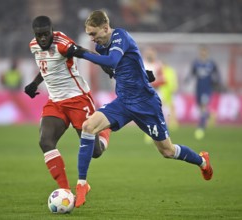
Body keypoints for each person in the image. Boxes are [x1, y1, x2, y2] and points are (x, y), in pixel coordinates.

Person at [66, 10, 213, 208]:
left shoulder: (121, 36)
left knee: (167, 151)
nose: (92, 39)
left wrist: (82, 53)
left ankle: (202, 161)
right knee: (88, 127)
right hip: (124, 101)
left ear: (105, 28)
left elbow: (113, 62)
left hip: (146, 104)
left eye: (93, 34)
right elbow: (115, 67)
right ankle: (82, 184)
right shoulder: (101, 47)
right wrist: (142, 73)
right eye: (89, 35)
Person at [24, 16, 111, 192]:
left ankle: (106, 128)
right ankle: (65, 191)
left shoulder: (62, 43)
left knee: (96, 152)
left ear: (51, 31)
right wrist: (34, 83)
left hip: (77, 99)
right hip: (55, 102)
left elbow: (82, 51)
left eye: (46, 34)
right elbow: (47, 68)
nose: (43, 39)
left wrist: (105, 64)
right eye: (39, 35)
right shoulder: (33, 45)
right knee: (45, 142)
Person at [188, 46, 222, 140]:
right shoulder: (196, 63)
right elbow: (192, 73)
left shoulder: (211, 63)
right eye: (202, 52)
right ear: (200, 53)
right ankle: (210, 115)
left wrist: (218, 82)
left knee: (203, 106)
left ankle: (200, 127)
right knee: (200, 107)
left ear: (207, 53)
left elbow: (217, 73)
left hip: (207, 89)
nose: (203, 53)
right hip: (198, 89)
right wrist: (187, 79)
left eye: (205, 52)